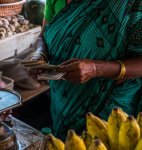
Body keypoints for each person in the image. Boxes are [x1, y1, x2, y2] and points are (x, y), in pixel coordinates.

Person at [30, 0, 142, 140]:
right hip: (62, 101)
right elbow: (44, 35)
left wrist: (96, 69)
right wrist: (40, 54)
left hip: (108, 106)